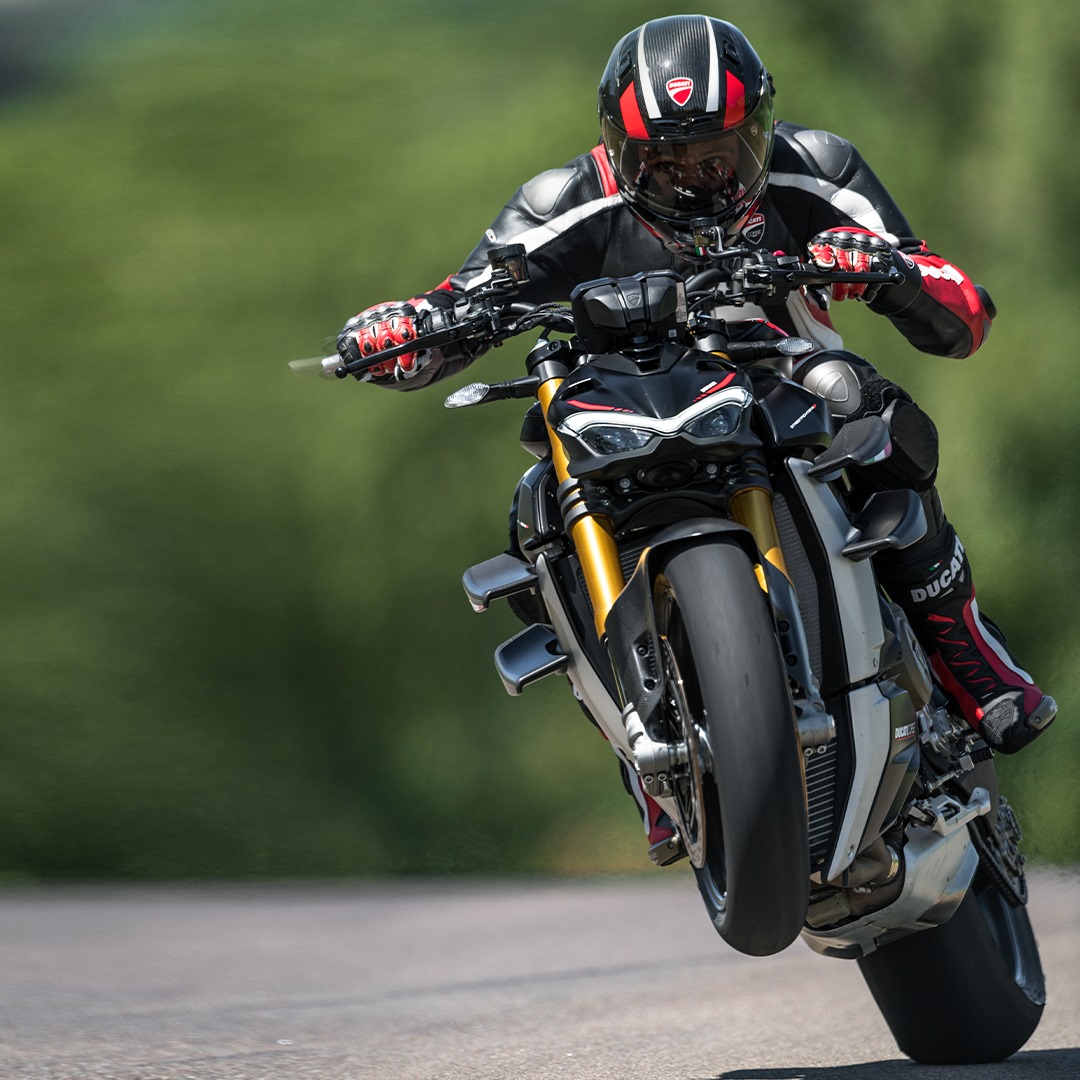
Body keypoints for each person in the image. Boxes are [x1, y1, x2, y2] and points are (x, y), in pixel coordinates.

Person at [336, 15, 1056, 859]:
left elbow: (963, 317)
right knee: (534, 509)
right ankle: (639, 751)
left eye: (718, 155)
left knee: (865, 403)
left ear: (761, 127)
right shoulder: (559, 202)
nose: (695, 182)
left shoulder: (817, 166)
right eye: (663, 163)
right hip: (619, 402)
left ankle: (966, 654)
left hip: (779, 375)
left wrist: (888, 271)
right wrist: (402, 332)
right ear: (617, 149)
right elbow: (455, 308)